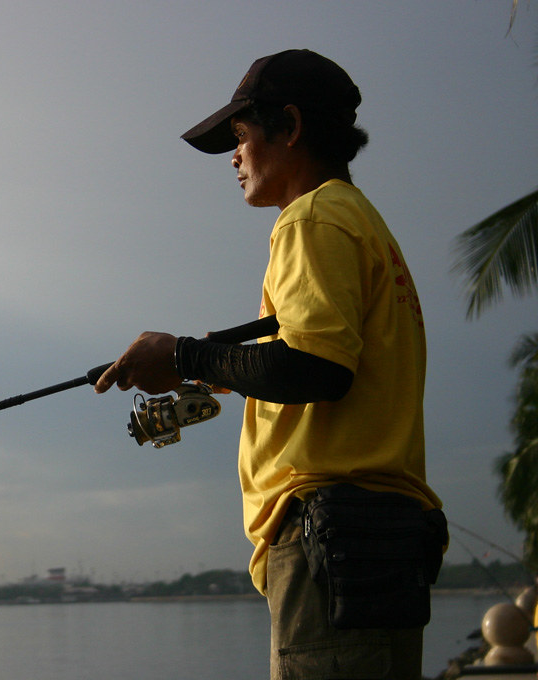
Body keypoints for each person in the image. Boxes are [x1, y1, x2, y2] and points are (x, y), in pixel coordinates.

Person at [94, 50, 444, 679]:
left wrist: (180, 354)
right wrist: (206, 365)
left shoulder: (310, 218)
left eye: (241, 135)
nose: (234, 156)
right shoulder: (362, 223)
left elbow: (316, 367)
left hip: (326, 539)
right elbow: (323, 359)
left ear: (289, 125)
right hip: (380, 541)